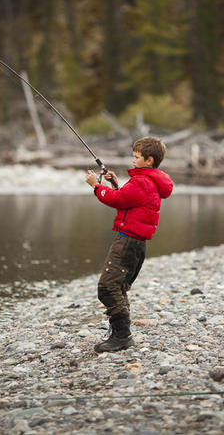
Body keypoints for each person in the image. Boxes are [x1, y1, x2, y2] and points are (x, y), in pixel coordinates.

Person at [85, 136, 174, 352]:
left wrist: (96, 186)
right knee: (118, 287)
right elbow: (127, 199)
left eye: (136, 157)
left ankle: (122, 336)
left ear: (150, 160)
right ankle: (120, 334)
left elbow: (117, 200)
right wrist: (114, 184)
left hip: (128, 242)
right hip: (135, 243)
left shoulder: (142, 181)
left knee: (107, 288)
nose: (132, 160)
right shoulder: (148, 181)